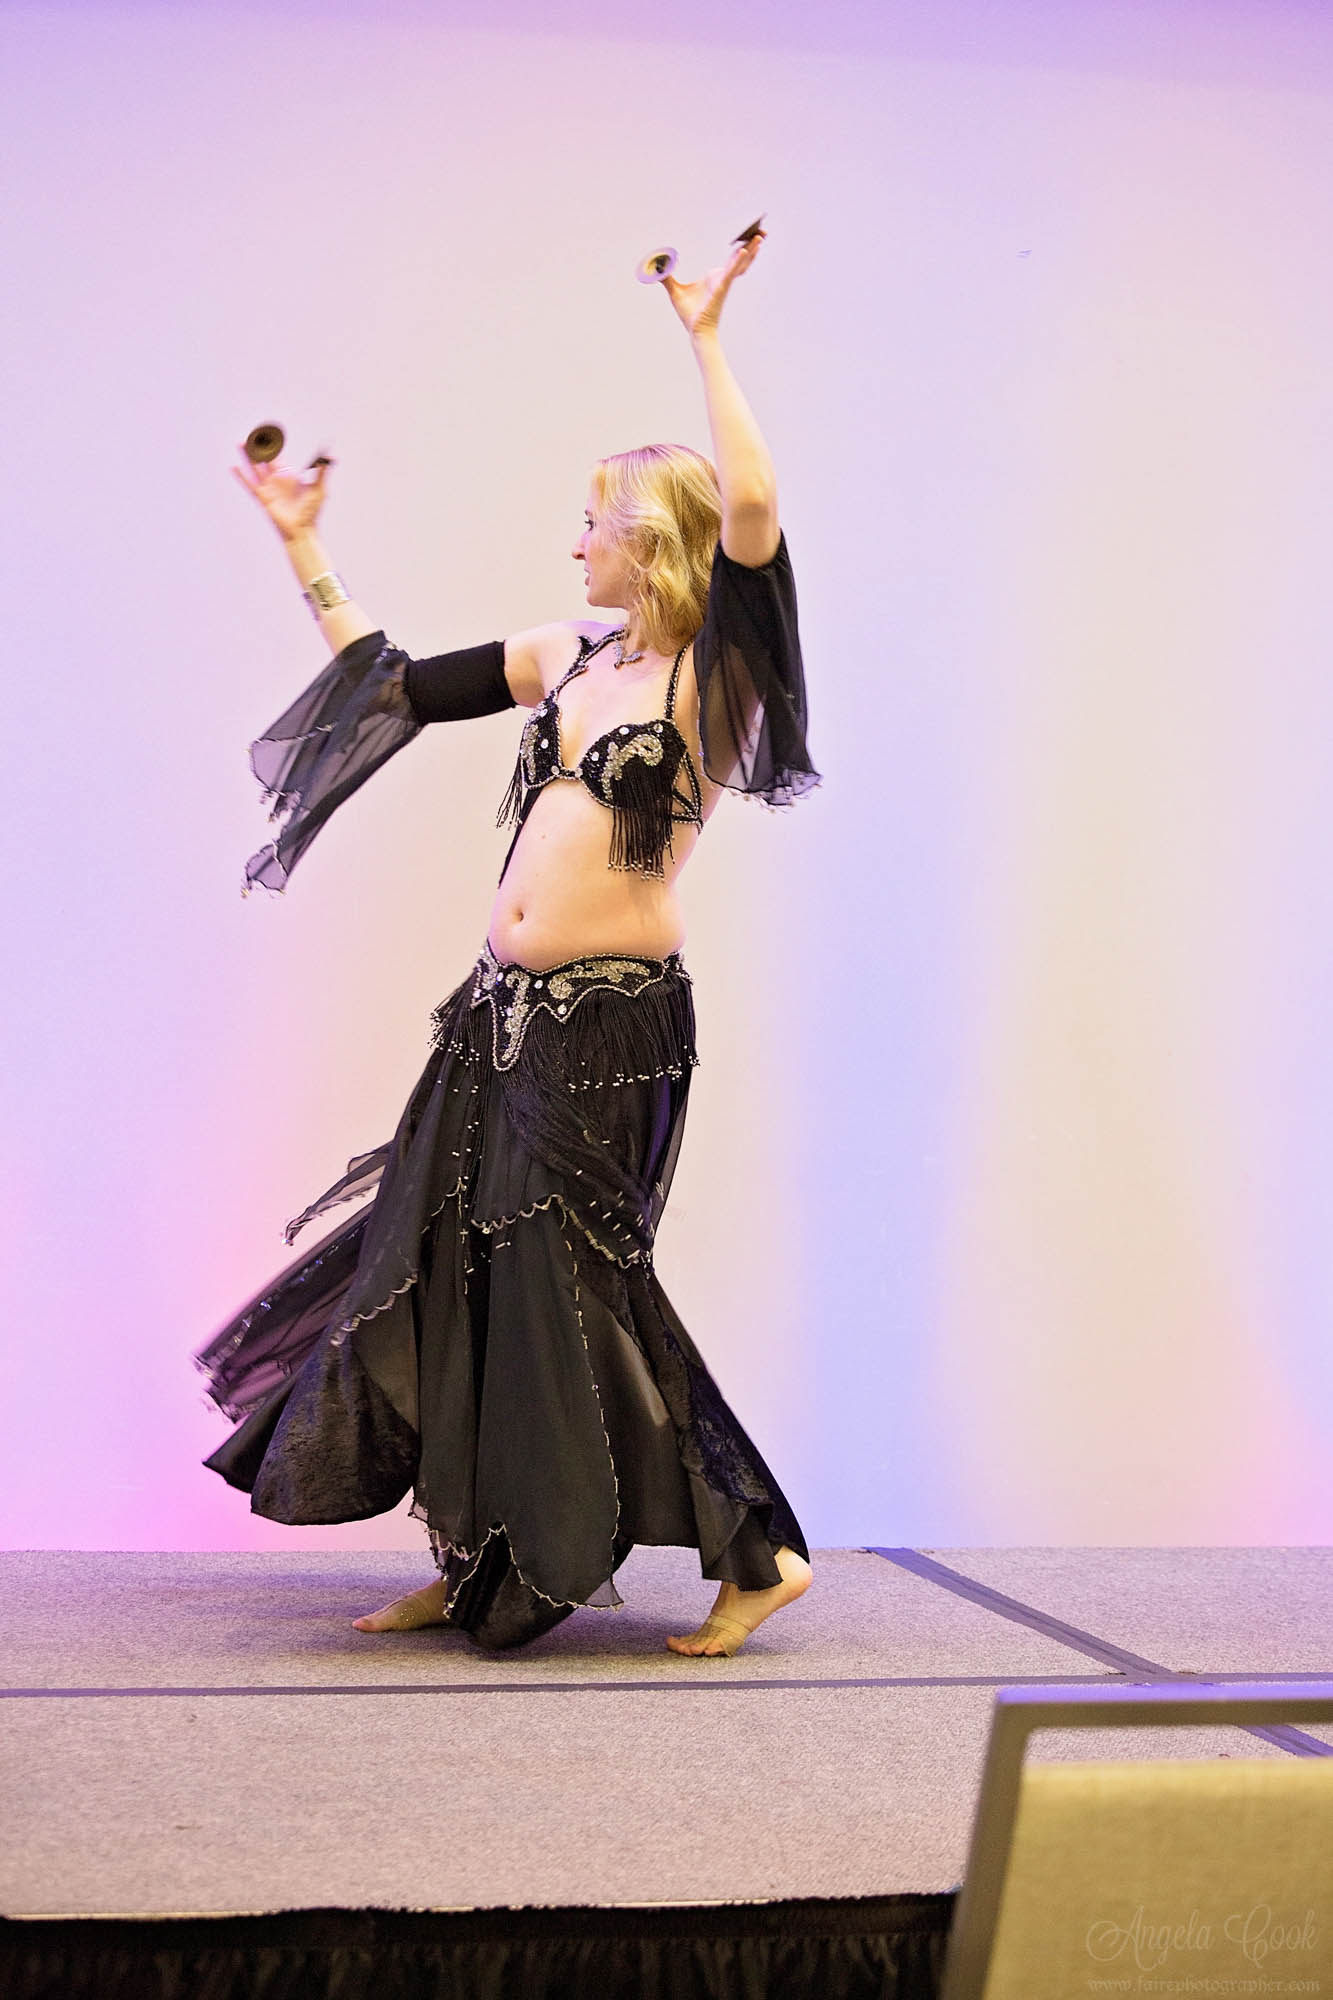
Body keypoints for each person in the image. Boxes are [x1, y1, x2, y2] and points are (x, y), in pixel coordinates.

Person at [197, 227, 820, 1656]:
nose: (576, 541)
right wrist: (303, 547)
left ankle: (761, 1549)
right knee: (446, 1271)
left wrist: (704, 339)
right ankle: (473, 1551)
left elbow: (755, 510)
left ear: (650, 536)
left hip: (610, 1027)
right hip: (490, 1019)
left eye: (593, 520)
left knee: (573, 1281)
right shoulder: (568, 656)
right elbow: (396, 686)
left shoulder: (715, 673)